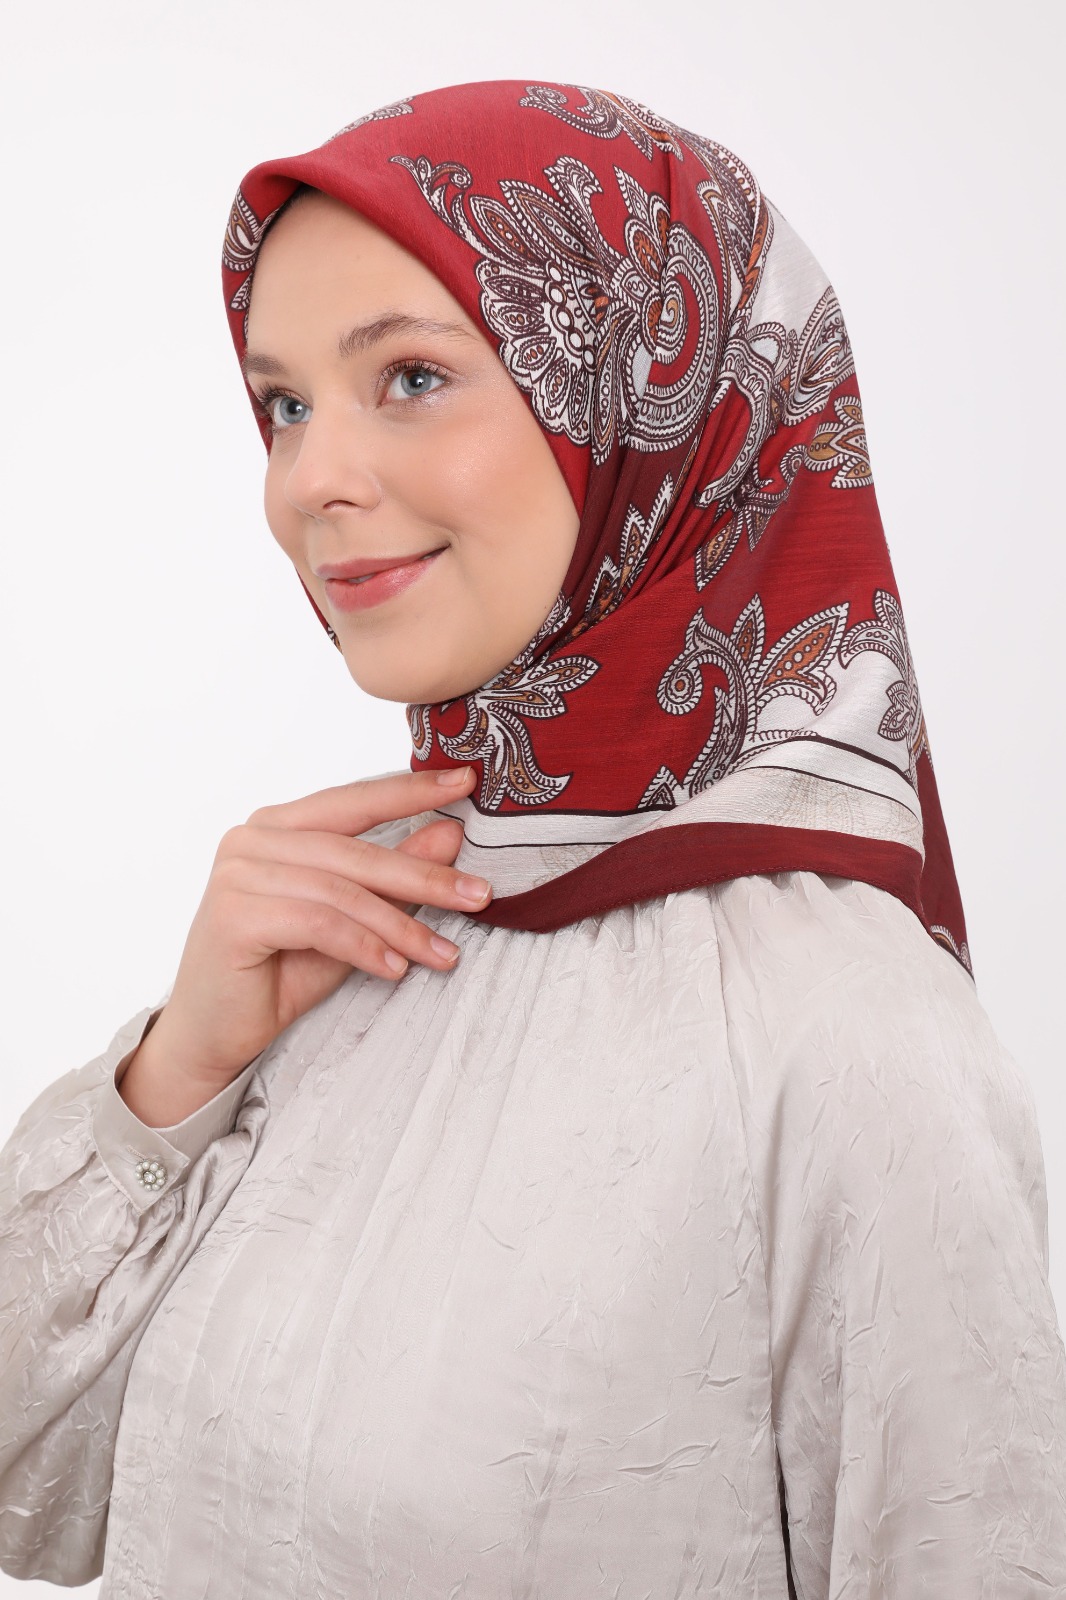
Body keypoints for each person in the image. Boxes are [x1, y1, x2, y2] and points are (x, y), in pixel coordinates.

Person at [2, 76, 1064, 1597]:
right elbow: (30, 1488)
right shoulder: (354, 934)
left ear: (642, 402)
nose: (311, 482)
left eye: (411, 376)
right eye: (285, 404)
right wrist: (177, 1070)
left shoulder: (841, 1039)